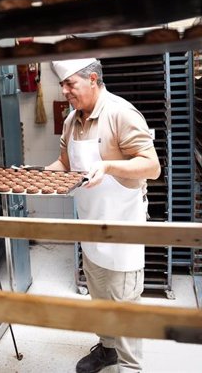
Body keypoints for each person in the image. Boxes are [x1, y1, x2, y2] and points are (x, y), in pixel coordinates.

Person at [45, 58, 161, 373]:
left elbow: (152, 167)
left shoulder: (121, 113)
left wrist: (108, 165)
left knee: (124, 306)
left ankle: (130, 367)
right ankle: (108, 350)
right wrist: (42, 176)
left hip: (122, 228)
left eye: (70, 84)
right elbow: (65, 164)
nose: (65, 91)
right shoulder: (72, 120)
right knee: (99, 297)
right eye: (63, 85)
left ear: (93, 79)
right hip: (91, 223)